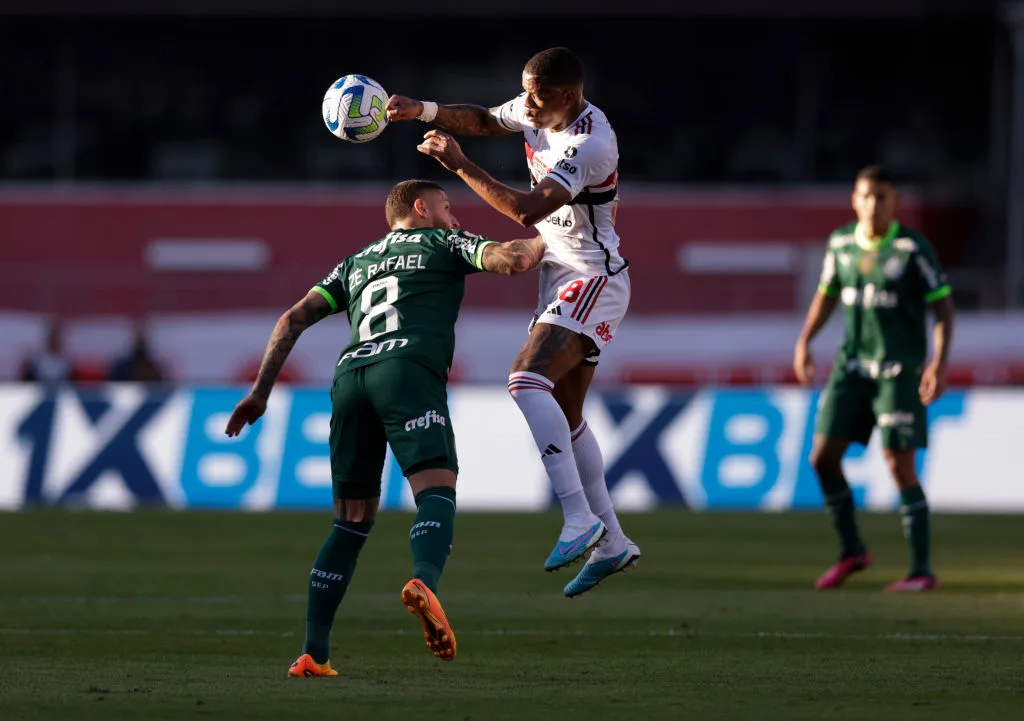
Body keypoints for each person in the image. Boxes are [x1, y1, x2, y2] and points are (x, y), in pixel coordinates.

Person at [225, 180, 544, 676]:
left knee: (350, 519)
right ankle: (424, 582)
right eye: (447, 207)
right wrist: (554, 236)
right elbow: (514, 260)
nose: (455, 218)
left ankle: (314, 652)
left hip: (350, 377)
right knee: (436, 491)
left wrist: (261, 392)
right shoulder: (443, 243)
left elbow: (291, 320)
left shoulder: (356, 261)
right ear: (421, 208)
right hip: (407, 371)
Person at [386, 46, 640, 598]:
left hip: (592, 276)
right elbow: (482, 119)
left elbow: (528, 211)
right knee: (569, 415)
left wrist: (459, 165)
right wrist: (421, 110)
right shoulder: (537, 108)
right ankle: (614, 543)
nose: (526, 102)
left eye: (537, 94)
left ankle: (578, 518)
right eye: (524, 90)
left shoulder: (590, 142)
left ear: (568, 98)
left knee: (526, 380)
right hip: (558, 272)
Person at [793, 165, 955, 592]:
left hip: (899, 371)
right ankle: (852, 551)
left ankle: (921, 571)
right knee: (822, 458)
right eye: (865, 196)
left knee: (898, 464)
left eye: (881, 197)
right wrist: (805, 341)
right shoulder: (841, 243)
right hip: (852, 367)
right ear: (854, 199)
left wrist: (938, 362)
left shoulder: (911, 248)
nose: (872, 204)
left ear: (894, 202)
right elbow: (826, 295)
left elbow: (943, 307)